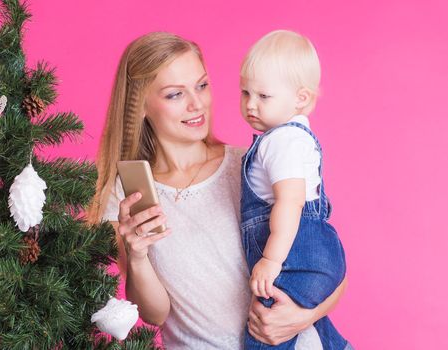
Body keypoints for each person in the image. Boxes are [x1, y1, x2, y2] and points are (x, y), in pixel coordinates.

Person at [87, 31, 347, 349]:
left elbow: (327, 262)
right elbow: (155, 314)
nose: (197, 104)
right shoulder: (126, 195)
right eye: (174, 94)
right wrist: (138, 257)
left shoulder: (253, 167)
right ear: (140, 105)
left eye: (202, 85)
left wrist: (302, 317)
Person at [239, 30, 349, 349]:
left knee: (264, 331)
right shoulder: (297, 137)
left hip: (295, 257)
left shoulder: (281, 141)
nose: (250, 104)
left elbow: (289, 202)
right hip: (321, 255)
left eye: (263, 96)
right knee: (303, 323)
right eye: (245, 93)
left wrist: (272, 260)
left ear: (300, 98)